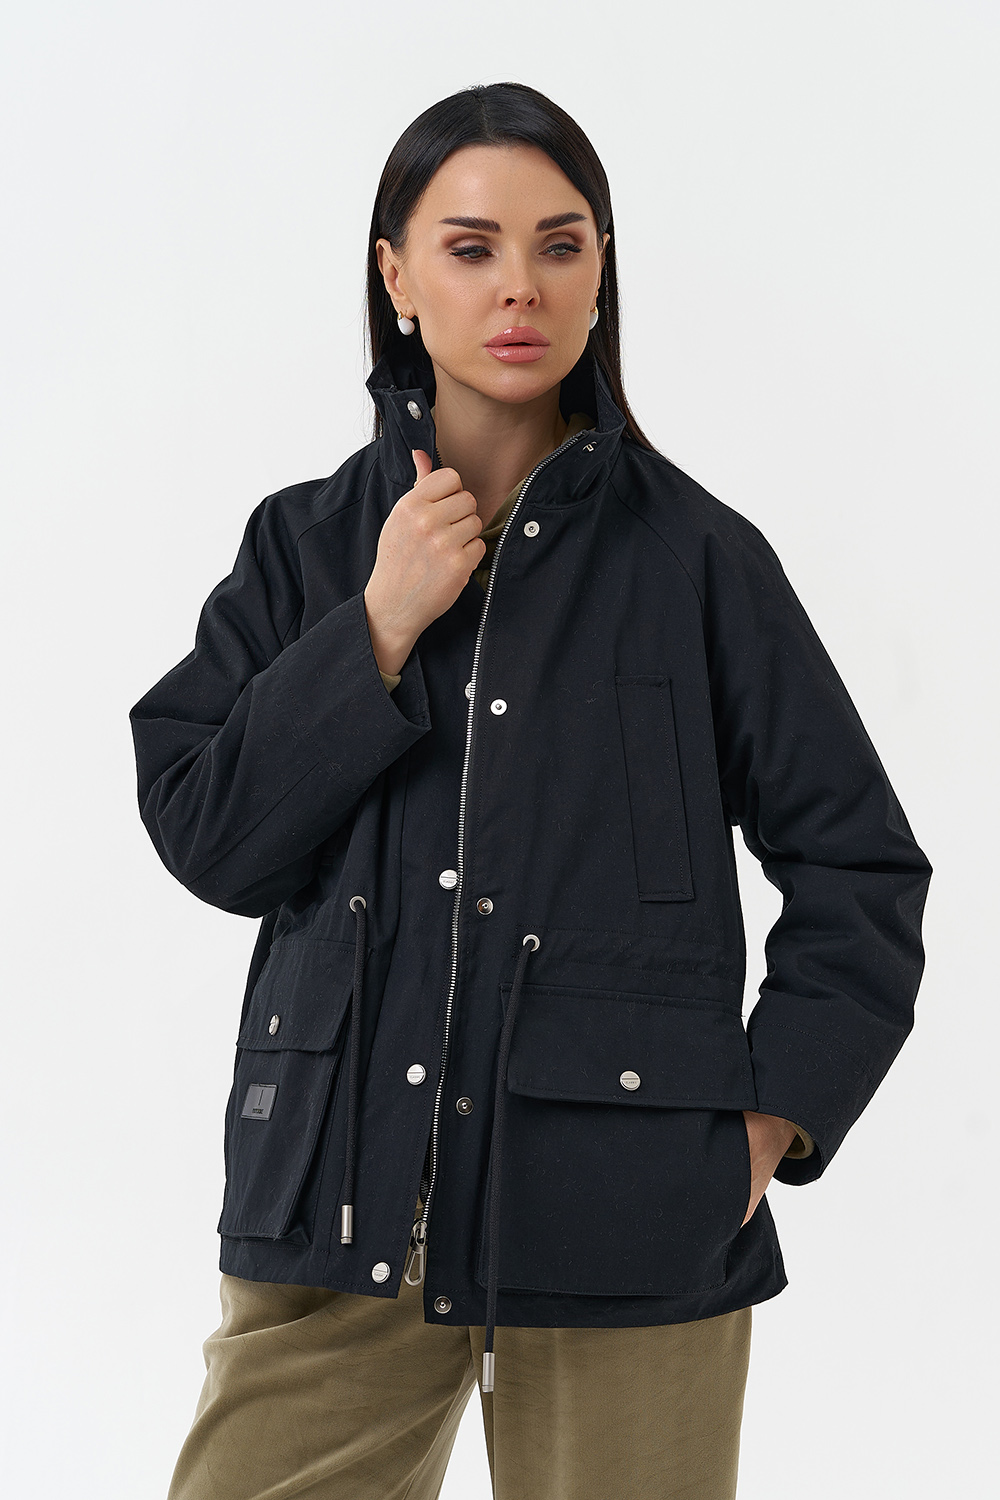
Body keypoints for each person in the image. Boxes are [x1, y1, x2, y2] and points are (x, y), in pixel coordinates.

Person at [129, 81, 932, 1500]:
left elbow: (858, 866)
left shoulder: (699, 561)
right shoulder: (308, 548)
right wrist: (376, 629)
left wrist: (765, 1127)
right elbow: (209, 837)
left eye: (561, 246)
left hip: (628, 1218)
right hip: (339, 1201)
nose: (521, 287)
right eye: (472, 246)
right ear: (396, 277)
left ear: (602, 271)